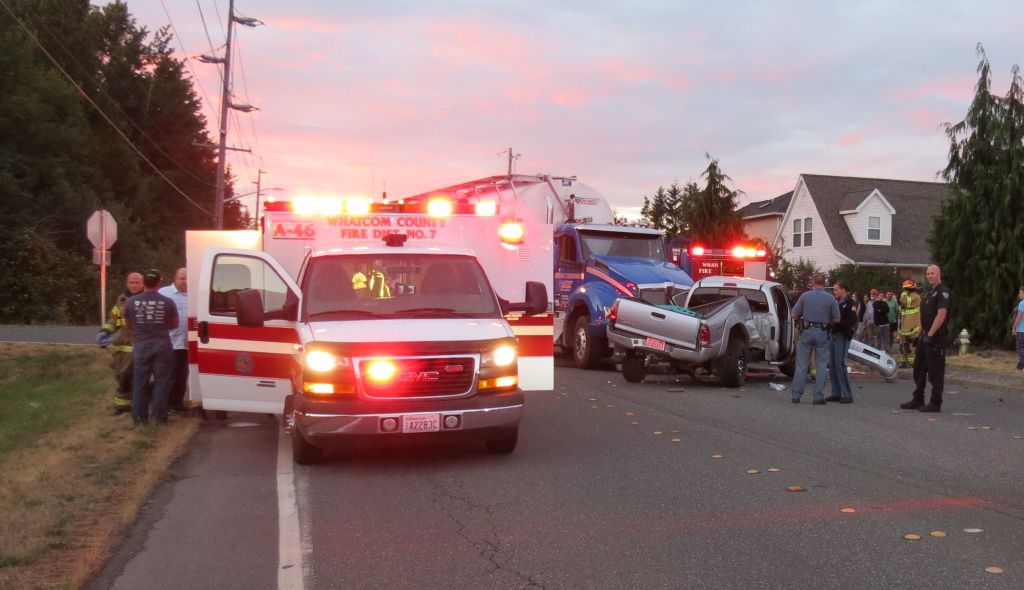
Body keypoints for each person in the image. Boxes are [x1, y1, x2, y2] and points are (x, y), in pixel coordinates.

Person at [126, 270, 179, 426]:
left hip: (141, 345)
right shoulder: (168, 302)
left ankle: (139, 419)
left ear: (144, 284)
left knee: (140, 383)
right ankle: (159, 417)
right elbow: (175, 324)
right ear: (159, 284)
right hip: (163, 345)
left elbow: (129, 325)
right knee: (162, 383)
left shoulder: (131, 302)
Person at [900, 265, 950, 412]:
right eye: (927, 274)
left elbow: (941, 316)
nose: (929, 276)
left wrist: (930, 335)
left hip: (936, 337)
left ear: (939, 275)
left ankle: (935, 402)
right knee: (919, 368)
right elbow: (924, 317)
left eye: (932, 273)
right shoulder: (929, 293)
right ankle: (918, 399)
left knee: (935, 371)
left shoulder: (943, 292)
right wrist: (919, 335)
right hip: (925, 336)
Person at [790, 273, 840, 405]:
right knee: (821, 365)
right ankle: (818, 397)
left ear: (813, 283)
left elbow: (794, 314)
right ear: (824, 283)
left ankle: (796, 396)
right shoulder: (830, 298)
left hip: (806, 331)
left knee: (801, 365)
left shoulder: (805, 296)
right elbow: (837, 319)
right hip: (822, 332)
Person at [98, 272, 145, 414]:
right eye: (131, 282)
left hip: (140, 343)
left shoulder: (147, 299)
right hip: (122, 346)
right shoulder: (122, 300)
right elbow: (114, 320)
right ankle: (123, 406)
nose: (134, 285)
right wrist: (105, 332)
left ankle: (137, 406)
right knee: (121, 376)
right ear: (127, 283)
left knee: (132, 377)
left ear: (143, 284)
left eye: (137, 282)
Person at [158, 268, 189, 414]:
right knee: (169, 375)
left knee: (182, 375)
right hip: (169, 342)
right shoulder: (163, 293)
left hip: (187, 343)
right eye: (182, 278)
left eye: (187, 279)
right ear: (175, 278)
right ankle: (166, 403)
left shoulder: (194, 294)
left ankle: (177, 403)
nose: (185, 282)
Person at [824, 280, 857, 403]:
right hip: (833, 334)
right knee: (832, 364)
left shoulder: (849, 304)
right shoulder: (836, 302)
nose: (834, 292)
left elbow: (852, 321)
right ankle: (836, 392)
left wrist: (838, 322)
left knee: (840, 364)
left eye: (837, 289)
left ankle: (847, 394)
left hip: (842, 335)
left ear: (843, 290)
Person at [898, 280, 922, 368]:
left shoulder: (915, 297)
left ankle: (912, 363)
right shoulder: (910, 296)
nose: (905, 291)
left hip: (913, 325)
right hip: (905, 325)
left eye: (906, 289)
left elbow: (904, 301)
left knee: (911, 345)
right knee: (904, 345)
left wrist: (903, 294)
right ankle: (904, 360)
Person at [1013, 286, 1024, 371]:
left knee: (1019, 347)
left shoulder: (1022, 303)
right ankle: (1020, 365)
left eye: (1020, 293)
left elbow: (1020, 315)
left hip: (1021, 330)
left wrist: (1014, 326)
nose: (1018, 295)